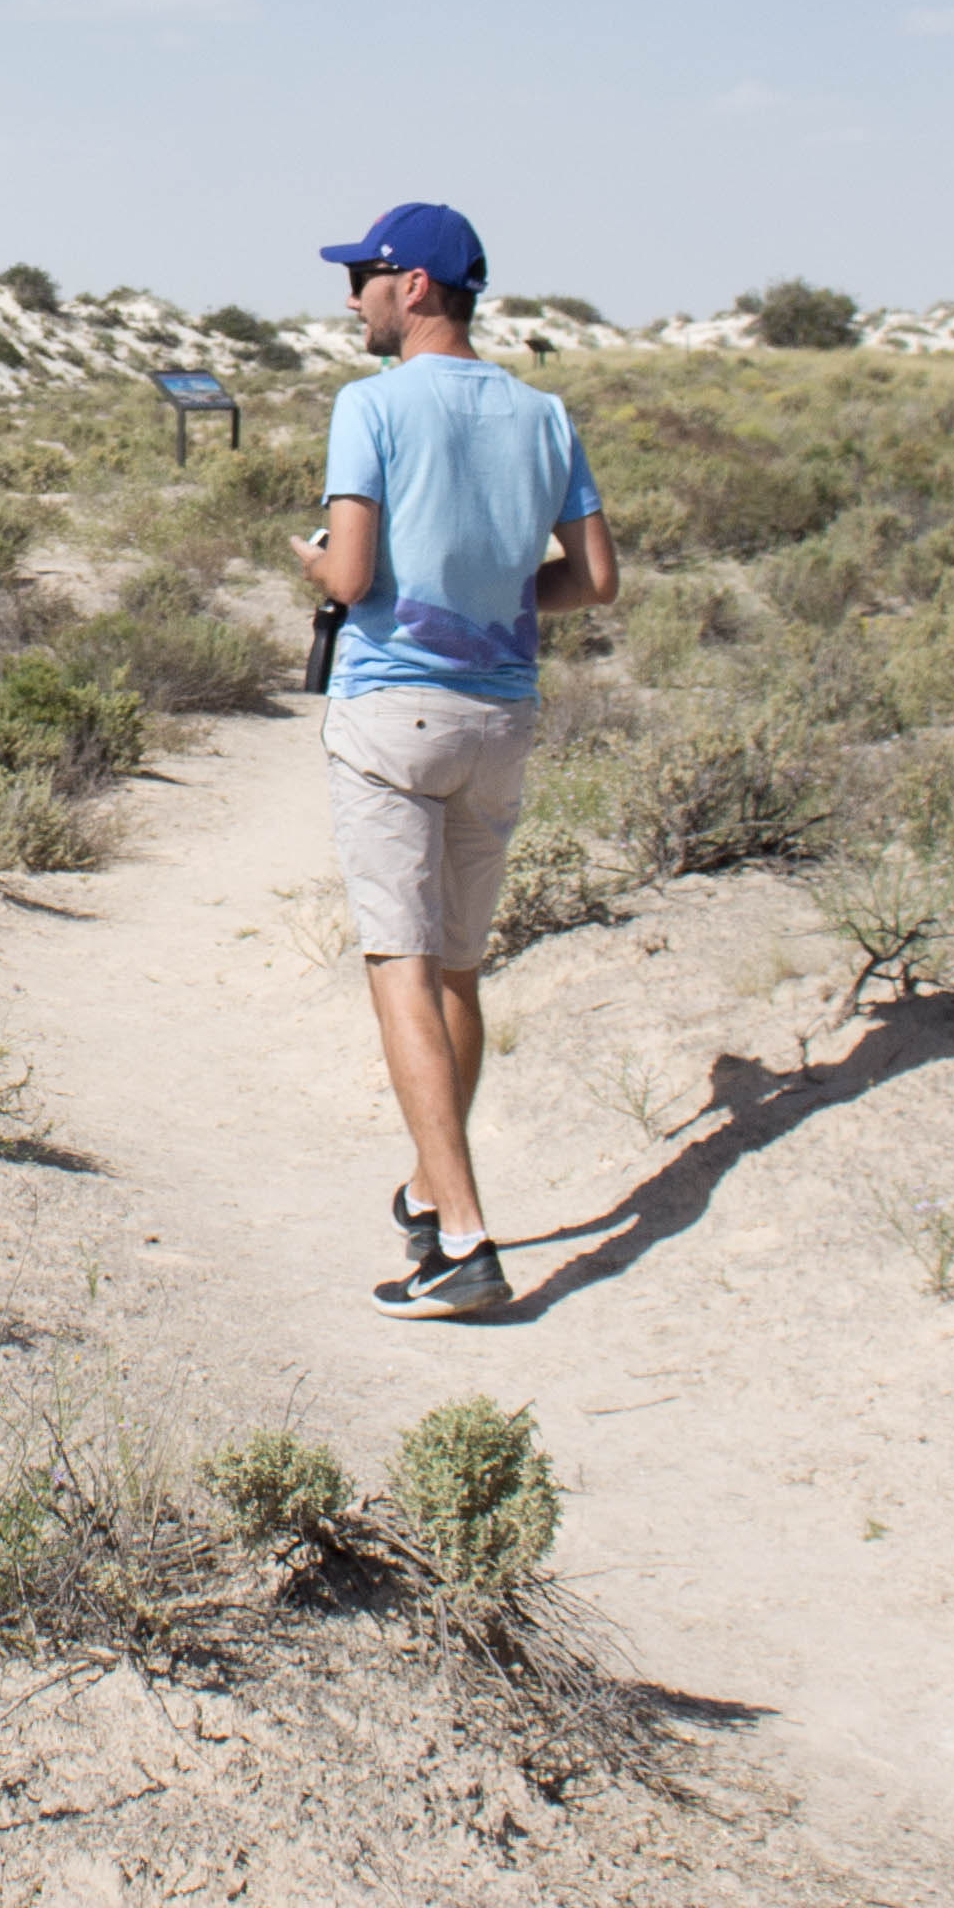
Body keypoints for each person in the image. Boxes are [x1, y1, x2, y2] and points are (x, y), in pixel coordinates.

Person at [298, 200, 615, 1319]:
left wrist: (308, 557)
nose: (353, 298)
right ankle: (433, 1193)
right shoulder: (543, 413)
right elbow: (593, 578)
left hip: (393, 711)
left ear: (417, 286)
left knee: (398, 965)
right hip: (501, 716)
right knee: (459, 970)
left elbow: (348, 577)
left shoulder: (370, 404)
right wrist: (494, 605)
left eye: (367, 277)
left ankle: (464, 1241)